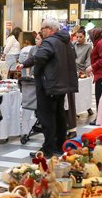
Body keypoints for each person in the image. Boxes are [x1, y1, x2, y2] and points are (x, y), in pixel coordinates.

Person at [21, 18, 78, 157]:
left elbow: (39, 57)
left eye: (43, 29)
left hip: (50, 86)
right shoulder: (67, 42)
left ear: (50, 29)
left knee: (46, 117)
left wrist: (29, 67)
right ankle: (60, 146)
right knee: (59, 116)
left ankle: (48, 149)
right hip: (62, 85)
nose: (41, 31)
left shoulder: (50, 41)